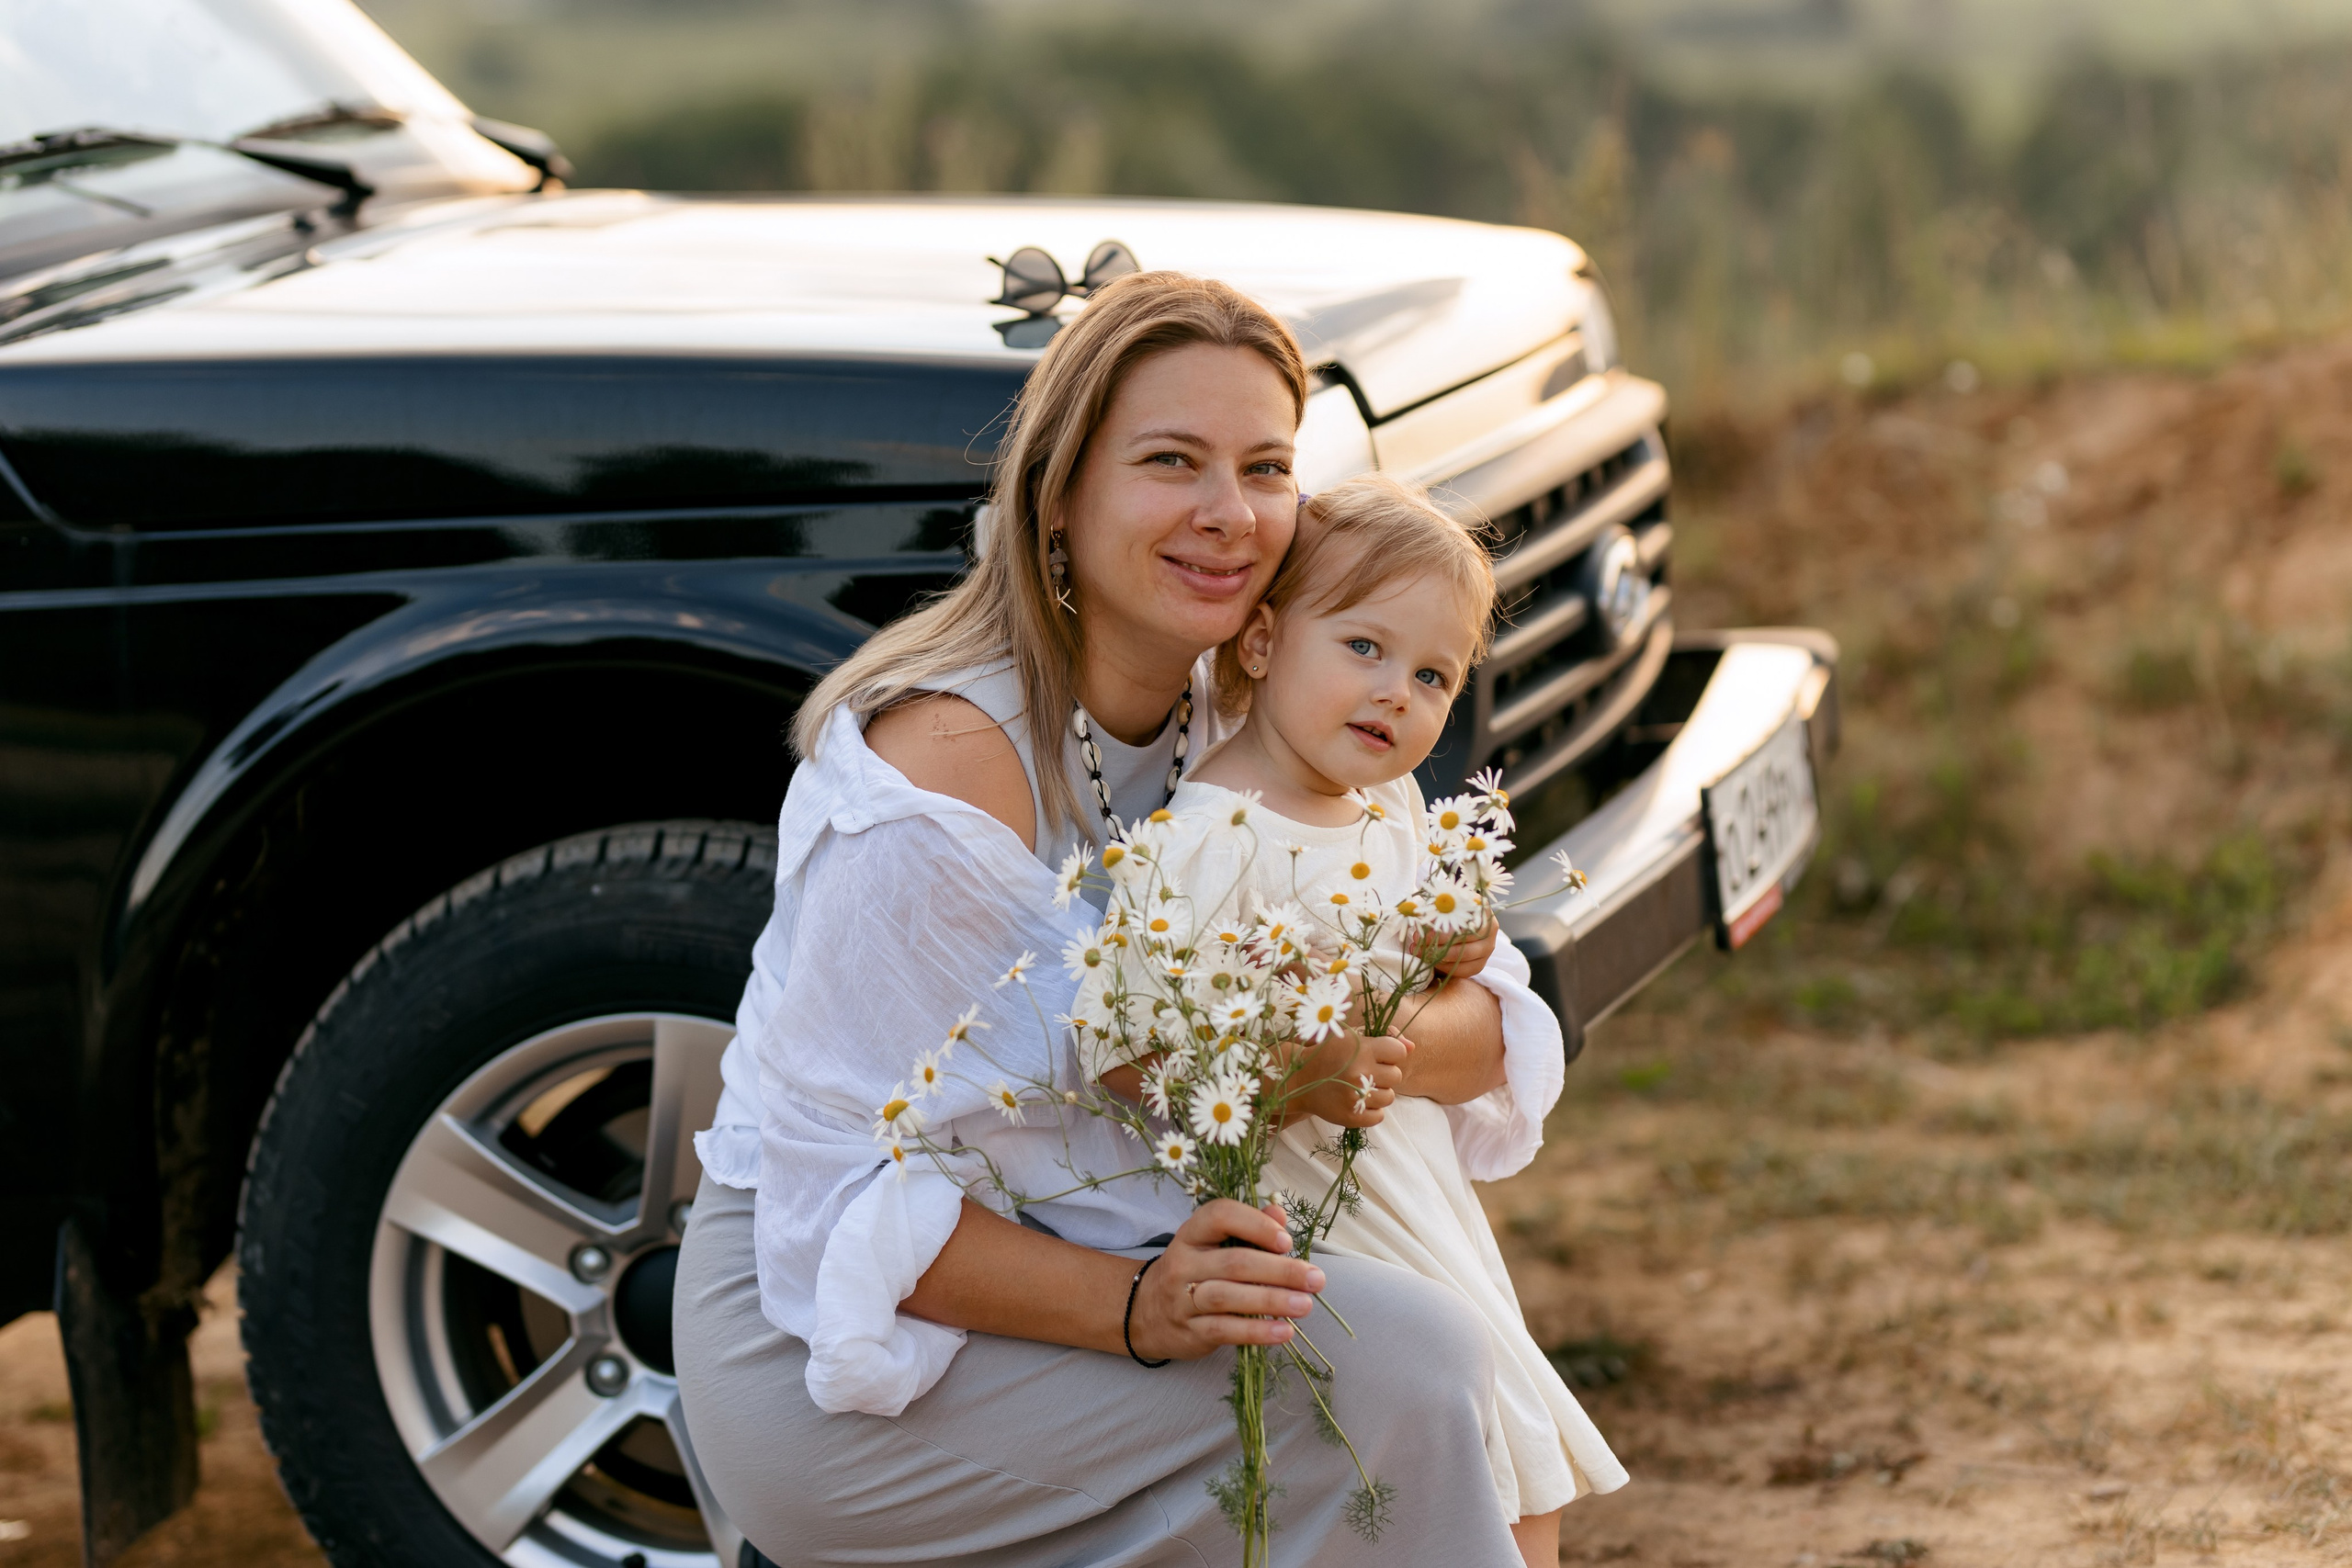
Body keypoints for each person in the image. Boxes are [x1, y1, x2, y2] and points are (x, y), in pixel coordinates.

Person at [673, 271, 1547, 1565]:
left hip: (1121, 1238)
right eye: (1170, 461)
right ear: (1058, 494)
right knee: (1406, 1365)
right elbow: (833, 1191)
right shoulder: (944, 782)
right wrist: (1139, 1302)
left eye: (1265, 467)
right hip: (855, 1332)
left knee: (1443, 1348)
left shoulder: (1277, 691)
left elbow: (1490, 1015)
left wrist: (1347, 1046)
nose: (1229, 513)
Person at [1118, 473, 1628, 1568]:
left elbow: (1440, 972)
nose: (1396, 693)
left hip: (1414, 1192)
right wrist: (1288, 1065)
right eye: (1362, 647)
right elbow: (1131, 1054)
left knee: (1518, 1463)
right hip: (1320, 1215)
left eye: (1432, 675)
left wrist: (1465, 938)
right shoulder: (1204, 842)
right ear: (1262, 642)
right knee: (1463, 1470)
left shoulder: (1383, 810)